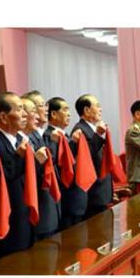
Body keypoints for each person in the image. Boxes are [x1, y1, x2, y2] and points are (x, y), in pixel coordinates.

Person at [0, 92, 43, 256]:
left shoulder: (17, 140)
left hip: (24, 215)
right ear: (4, 117)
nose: (25, 114)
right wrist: (19, 156)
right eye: (20, 109)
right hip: (10, 221)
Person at [43, 97, 86, 229]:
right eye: (65, 110)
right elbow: (57, 165)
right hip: (67, 200)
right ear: (54, 114)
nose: (69, 114)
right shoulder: (48, 136)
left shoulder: (66, 136)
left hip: (76, 199)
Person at [21, 97, 59, 240]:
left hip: (49, 205)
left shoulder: (38, 136)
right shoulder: (26, 140)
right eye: (35, 110)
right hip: (37, 210)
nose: (39, 114)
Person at [72, 94, 113, 218]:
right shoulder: (80, 130)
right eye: (97, 106)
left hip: (102, 189)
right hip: (94, 191)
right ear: (86, 110)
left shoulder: (92, 128)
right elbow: (86, 158)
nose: (100, 109)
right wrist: (99, 135)